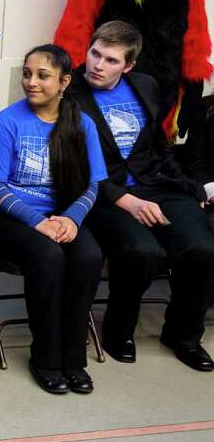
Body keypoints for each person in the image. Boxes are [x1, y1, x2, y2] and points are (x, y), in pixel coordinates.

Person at [67, 21, 214, 371]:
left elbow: (156, 147)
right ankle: (119, 333)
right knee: (142, 251)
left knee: (203, 249)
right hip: (101, 194)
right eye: (95, 54)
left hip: (154, 184)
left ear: (129, 65)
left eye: (111, 60)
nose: (98, 65)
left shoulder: (145, 85)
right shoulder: (68, 91)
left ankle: (183, 336)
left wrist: (190, 186)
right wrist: (125, 200)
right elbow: (69, 165)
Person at [0, 44, 106, 394]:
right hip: (6, 217)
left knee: (89, 256)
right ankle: (46, 358)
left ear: (64, 82)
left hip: (62, 215)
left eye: (43, 76)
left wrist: (73, 219)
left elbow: (92, 183)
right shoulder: (6, 122)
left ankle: (73, 358)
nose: (31, 82)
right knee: (47, 256)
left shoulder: (81, 124)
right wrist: (37, 221)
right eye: (27, 74)